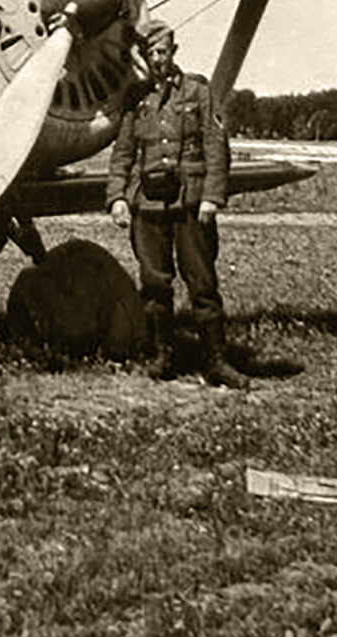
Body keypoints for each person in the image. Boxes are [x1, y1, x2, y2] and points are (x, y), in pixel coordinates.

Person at [105, 21, 252, 389]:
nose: (157, 59)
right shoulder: (135, 98)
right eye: (151, 53)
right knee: (155, 284)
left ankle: (216, 360)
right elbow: (123, 153)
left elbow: (216, 147)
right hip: (149, 206)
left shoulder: (198, 91)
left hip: (190, 203)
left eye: (163, 52)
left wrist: (212, 198)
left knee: (202, 283)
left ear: (174, 51)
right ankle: (162, 356)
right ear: (145, 56)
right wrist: (118, 197)